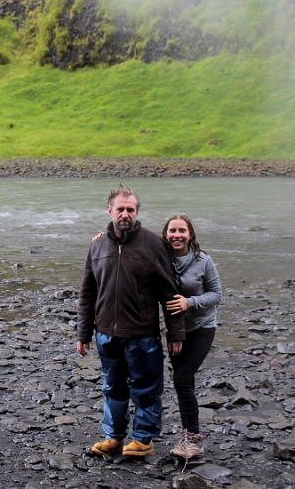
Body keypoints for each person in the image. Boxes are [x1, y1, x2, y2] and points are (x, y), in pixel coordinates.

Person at [77, 186, 185, 458]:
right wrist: (83, 333)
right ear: (109, 210)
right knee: (112, 387)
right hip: (106, 332)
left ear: (137, 212)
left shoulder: (153, 244)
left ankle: (143, 439)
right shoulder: (97, 245)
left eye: (130, 209)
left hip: (142, 333)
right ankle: (113, 437)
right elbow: (88, 293)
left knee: (146, 388)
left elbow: (169, 292)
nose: (125, 214)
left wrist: (176, 333)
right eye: (120, 209)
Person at [161, 214, 222, 459]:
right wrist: (104, 238)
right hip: (176, 330)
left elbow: (217, 295)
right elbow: (135, 244)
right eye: (172, 231)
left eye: (182, 231)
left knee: (182, 379)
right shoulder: (160, 258)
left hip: (203, 327)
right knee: (185, 382)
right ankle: (188, 434)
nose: (177, 235)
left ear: (190, 234)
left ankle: (194, 438)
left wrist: (190, 302)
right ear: (165, 234)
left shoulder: (203, 260)